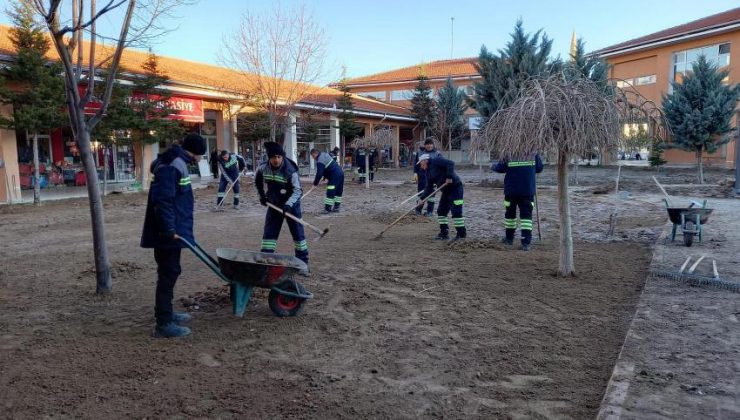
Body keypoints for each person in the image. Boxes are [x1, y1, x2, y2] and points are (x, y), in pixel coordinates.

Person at [140, 133, 207, 338]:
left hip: (175, 229)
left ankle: (167, 313)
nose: (200, 160)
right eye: (201, 155)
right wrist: (169, 230)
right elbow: (164, 200)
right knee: (168, 273)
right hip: (168, 232)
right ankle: (164, 323)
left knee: (171, 271)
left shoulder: (175, 161)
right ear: (196, 152)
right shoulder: (172, 165)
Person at [255, 142, 309, 273]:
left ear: (282, 157)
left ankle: (302, 264)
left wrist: (289, 205)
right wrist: (262, 196)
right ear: (269, 158)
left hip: (291, 206)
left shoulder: (290, 170)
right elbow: (257, 181)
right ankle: (266, 261)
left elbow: (298, 191)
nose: (276, 160)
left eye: (279, 157)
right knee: (269, 234)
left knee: (298, 234)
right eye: (273, 157)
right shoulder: (263, 168)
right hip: (274, 204)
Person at [492, 153, 544, 251]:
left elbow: (500, 168)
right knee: (526, 218)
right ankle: (526, 243)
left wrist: (493, 166)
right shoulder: (534, 154)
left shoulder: (509, 154)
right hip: (527, 191)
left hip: (511, 191)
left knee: (510, 215)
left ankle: (509, 239)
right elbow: (539, 168)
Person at [416, 154, 466, 241]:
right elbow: (429, 187)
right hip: (446, 191)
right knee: (441, 211)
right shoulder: (428, 172)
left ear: (425, 161)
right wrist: (422, 199)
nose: (421, 166)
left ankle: (461, 235)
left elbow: (450, 163)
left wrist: (449, 176)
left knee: (456, 212)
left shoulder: (436, 161)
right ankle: (444, 233)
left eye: (421, 163)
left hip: (455, 188)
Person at [413, 139, 443, 216]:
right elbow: (416, 164)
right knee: (421, 193)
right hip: (422, 176)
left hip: (433, 176)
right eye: (427, 144)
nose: (429, 146)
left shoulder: (437, 153)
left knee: (431, 194)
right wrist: (415, 173)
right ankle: (418, 210)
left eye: (431, 144)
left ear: (433, 145)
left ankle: (430, 211)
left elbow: (441, 165)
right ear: (425, 145)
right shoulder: (419, 152)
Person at [311, 148, 345, 213]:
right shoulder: (324, 154)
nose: (313, 158)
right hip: (340, 173)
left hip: (334, 175)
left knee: (330, 191)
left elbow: (319, 173)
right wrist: (325, 178)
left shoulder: (320, 160)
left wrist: (315, 184)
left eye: (313, 156)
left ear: (315, 153)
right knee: (338, 191)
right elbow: (327, 167)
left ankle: (327, 209)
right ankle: (336, 207)